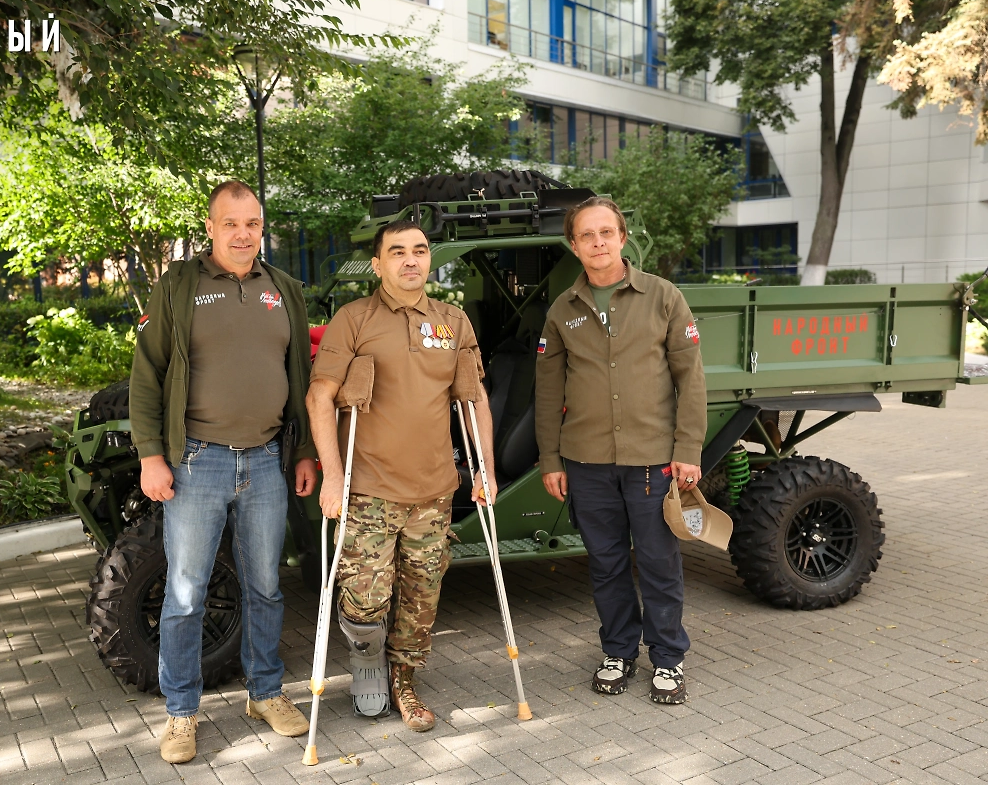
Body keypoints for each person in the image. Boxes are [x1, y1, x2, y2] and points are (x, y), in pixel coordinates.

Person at [130, 180, 318, 764]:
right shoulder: (180, 286)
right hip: (196, 463)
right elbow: (149, 372)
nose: (243, 234)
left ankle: (265, 693)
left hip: (265, 462)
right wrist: (150, 455)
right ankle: (181, 713)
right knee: (185, 593)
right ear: (210, 227)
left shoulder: (283, 288)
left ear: (263, 228)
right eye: (231, 223)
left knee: (265, 586)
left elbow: (303, 378)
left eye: (253, 223)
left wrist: (306, 450)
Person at [306, 219, 495, 731]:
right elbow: (319, 396)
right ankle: (367, 656)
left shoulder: (453, 321)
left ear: (429, 259)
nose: (410, 260)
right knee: (366, 598)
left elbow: (474, 400)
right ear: (378, 264)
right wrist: (331, 476)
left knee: (420, 599)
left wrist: (486, 470)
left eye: (419, 250)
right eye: (397, 252)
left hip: (433, 493)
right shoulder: (354, 319)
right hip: (367, 489)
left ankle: (404, 681)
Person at [535, 196, 706, 705]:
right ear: (573, 245)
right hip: (586, 463)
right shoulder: (563, 310)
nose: (598, 243)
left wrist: (688, 449)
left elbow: (690, 380)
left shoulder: (663, 297)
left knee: (658, 562)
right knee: (606, 564)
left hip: (653, 461)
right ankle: (618, 651)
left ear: (623, 237)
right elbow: (548, 391)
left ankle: (669, 660)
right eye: (586, 235)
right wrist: (550, 459)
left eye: (606, 232)